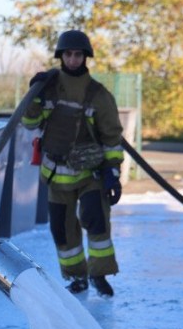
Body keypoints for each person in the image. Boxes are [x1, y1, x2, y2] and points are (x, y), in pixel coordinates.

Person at [22, 30, 124, 297]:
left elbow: (112, 138)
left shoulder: (99, 95)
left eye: (78, 54)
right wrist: (34, 95)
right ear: (61, 56)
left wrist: (113, 173)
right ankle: (77, 277)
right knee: (62, 230)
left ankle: (99, 274)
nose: (73, 59)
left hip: (91, 174)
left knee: (95, 221)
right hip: (56, 175)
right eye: (68, 54)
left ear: (85, 57)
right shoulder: (47, 88)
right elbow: (29, 123)